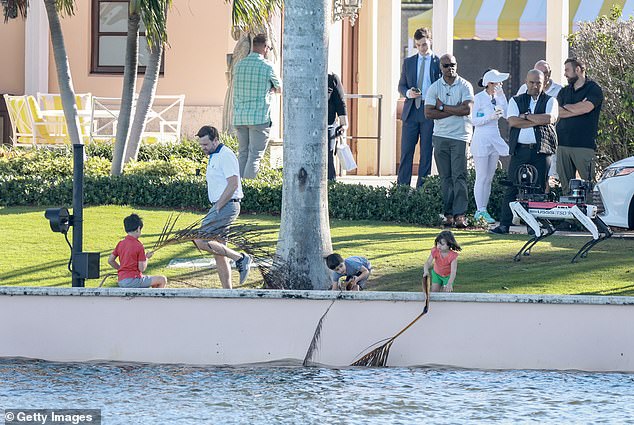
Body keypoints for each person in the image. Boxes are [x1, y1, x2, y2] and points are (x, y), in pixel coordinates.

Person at [490, 69, 559, 235]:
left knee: (539, 189)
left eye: (538, 83)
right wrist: (536, 120)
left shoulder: (551, 100)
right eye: (532, 82)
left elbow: (548, 119)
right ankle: (504, 225)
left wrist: (526, 116)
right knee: (512, 187)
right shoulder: (516, 100)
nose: (535, 86)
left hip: (541, 150)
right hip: (520, 150)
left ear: (544, 83)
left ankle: (533, 226)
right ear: (526, 82)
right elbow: (512, 121)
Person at [194, 125, 252, 289]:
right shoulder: (214, 155)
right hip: (221, 205)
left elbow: (233, 184)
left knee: (200, 239)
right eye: (201, 144)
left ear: (216, 140)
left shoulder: (226, 155)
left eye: (206, 144)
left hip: (226, 205)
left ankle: (240, 258)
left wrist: (218, 206)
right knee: (219, 253)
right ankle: (228, 292)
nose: (203, 148)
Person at [424, 54, 474, 228]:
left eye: (452, 64)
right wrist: (455, 109)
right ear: (440, 67)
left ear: (456, 65)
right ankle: (449, 215)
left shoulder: (465, 85)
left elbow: (467, 109)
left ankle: (460, 214)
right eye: (446, 65)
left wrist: (442, 107)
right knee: (445, 177)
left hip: (460, 136)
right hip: (440, 136)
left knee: (459, 176)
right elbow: (428, 113)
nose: (450, 68)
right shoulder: (434, 87)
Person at [233, 33, 282, 179]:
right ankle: (248, 191)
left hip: (240, 116)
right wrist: (272, 89)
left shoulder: (239, 65)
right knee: (255, 156)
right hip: (259, 116)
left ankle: (238, 189)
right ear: (266, 48)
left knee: (243, 154)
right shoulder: (267, 66)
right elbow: (280, 88)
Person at [397, 27, 441, 188]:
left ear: (430, 41)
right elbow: (401, 85)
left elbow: (442, 86)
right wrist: (408, 92)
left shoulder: (438, 62)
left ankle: (422, 191)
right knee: (406, 152)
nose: (421, 48)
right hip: (411, 112)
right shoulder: (409, 62)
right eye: (418, 45)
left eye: (424, 44)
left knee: (426, 153)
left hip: (428, 112)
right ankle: (401, 190)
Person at [556, 57, 604, 194]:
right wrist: (576, 108)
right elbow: (557, 112)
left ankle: (591, 215)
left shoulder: (593, 89)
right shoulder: (564, 91)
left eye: (567, 70)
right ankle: (569, 215)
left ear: (577, 70)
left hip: (584, 145)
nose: (564, 73)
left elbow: (586, 108)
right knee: (566, 189)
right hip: (562, 145)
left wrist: (567, 108)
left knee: (589, 188)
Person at [471, 69, 510, 224]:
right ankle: (479, 210)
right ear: (489, 83)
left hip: (494, 137)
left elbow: (507, 115)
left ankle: (484, 209)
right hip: (481, 139)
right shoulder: (478, 98)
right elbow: (473, 120)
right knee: (481, 177)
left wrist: (501, 98)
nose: (499, 85)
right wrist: (490, 117)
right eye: (496, 82)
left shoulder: (498, 96)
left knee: (489, 177)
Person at [517, 60, 563, 186]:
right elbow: (517, 115)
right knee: (525, 175)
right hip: (527, 141)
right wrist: (537, 119)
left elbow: (553, 117)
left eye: (546, 73)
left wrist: (528, 117)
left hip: (548, 139)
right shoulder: (524, 89)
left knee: (548, 176)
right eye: (539, 72)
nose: (543, 76)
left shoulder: (559, 90)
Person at [108, 213, 167, 288]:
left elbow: (110, 260)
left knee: (154, 282)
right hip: (133, 280)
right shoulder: (138, 246)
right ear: (138, 228)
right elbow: (142, 268)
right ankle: (156, 299)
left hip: (121, 280)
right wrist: (147, 258)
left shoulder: (121, 243)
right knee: (162, 279)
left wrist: (121, 269)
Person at [327, 72, 348, 181]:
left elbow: (340, 102)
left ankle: (331, 186)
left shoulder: (331, 78)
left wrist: (344, 124)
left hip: (328, 126)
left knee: (328, 157)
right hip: (306, 128)